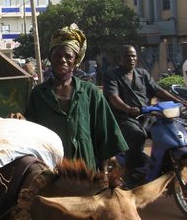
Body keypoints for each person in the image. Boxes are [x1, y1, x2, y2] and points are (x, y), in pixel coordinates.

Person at [25, 24, 128, 175]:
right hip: (51, 171)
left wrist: (104, 171)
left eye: (68, 56)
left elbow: (105, 133)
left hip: (86, 170)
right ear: (50, 58)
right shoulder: (38, 94)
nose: (63, 60)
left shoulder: (90, 92)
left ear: (76, 60)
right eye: (57, 55)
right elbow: (30, 132)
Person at [103, 44, 187, 185]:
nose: (131, 58)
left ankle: (162, 165)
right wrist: (128, 108)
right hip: (123, 117)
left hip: (146, 115)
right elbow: (114, 98)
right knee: (137, 135)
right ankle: (132, 171)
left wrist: (180, 101)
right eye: (127, 56)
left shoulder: (143, 74)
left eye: (133, 56)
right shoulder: (112, 75)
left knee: (166, 130)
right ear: (121, 58)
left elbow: (158, 91)